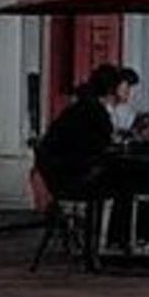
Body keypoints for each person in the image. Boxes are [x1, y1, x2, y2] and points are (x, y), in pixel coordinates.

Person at [35, 64, 130, 200]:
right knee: (125, 183)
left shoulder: (79, 107)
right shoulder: (96, 113)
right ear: (112, 90)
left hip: (55, 174)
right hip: (73, 176)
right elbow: (102, 149)